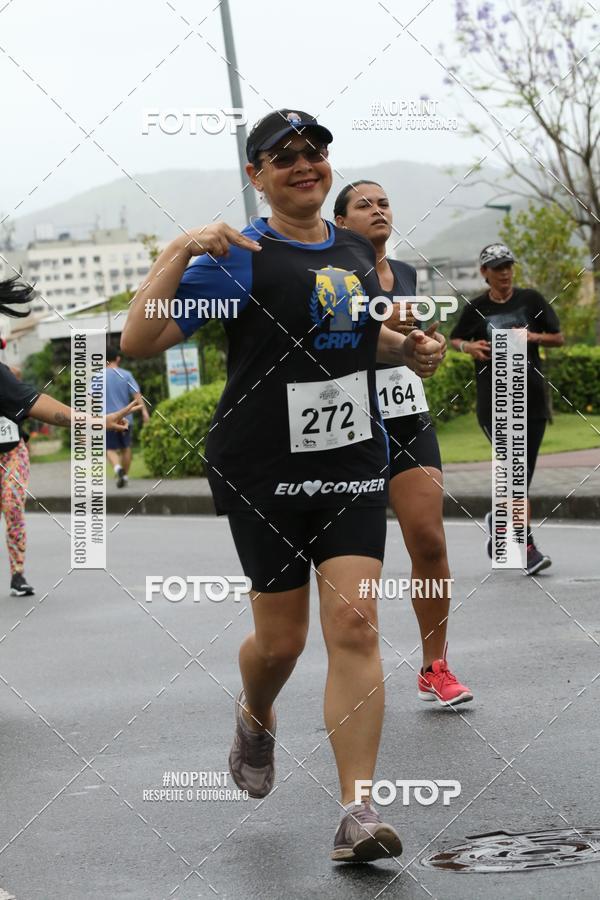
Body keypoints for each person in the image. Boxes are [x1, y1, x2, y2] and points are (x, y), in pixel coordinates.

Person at [121, 109, 446, 862]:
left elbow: (355, 329)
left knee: (356, 625)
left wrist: (407, 348)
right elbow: (140, 339)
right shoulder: (241, 257)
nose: (305, 164)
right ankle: (256, 711)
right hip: (263, 469)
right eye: (285, 155)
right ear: (257, 175)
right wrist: (177, 249)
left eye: (316, 151)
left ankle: (357, 812)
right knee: (281, 643)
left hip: (351, 462)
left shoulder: (355, 248)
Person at [334, 180, 472, 707]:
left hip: (406, 416)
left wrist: (429, 347)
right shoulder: (332, 276)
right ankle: (351, 664)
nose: (378, 210)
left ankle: (435, 666)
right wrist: (377, 331)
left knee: (430, 541)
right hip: (349, 424)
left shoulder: (407, 273)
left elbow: (419, 337)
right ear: (341, 222)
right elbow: (327, 346)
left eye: (384, 202)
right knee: (353, 559)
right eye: (363, 205)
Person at [0, 276, 142, 596]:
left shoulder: (4, 377)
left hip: (10, 452)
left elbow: (38, 405)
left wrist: (98, 421)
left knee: (12, 505)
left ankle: (18, 574)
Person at [449, 243, 564, 575]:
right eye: (498, 268)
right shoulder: (476, 308)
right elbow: (455, 339)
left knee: (520, 479)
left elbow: (558, 337)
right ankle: (527, 547)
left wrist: (532, 338)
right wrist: (469, 346)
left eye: (508, 266)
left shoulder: (531, 300)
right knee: (515, 475)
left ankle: (499, 521)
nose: (505, 273)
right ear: (484, 272)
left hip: (532, 401)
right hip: (495, 404)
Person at [103, 344, 149, 488]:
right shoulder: (126, 375)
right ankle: (125, 476)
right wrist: (144, 412)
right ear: (118, 358)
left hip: (107, 420)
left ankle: (118, 469)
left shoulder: (98, 376)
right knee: (126, 447)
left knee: (109, 449)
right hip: (126, 419)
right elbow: (137, 395)